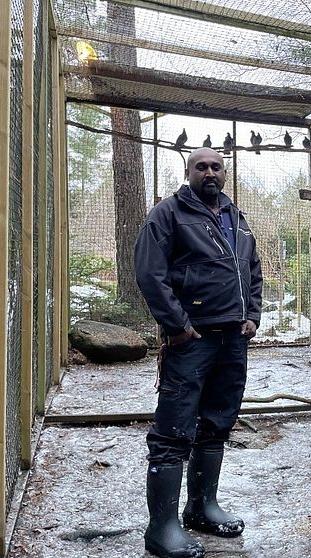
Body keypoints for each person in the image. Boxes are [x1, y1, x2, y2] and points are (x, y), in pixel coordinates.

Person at [134, 147, 263, 558]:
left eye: (216, 166)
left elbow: (253, 271)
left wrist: (252, 317)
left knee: (217, 423)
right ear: (188, 171)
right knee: (173, 431)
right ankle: (162, 527)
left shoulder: (235, 217)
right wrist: (179, 328)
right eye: (201, 166)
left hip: (232, 340)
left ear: (225, 173)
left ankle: (202, 506)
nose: (209, 172)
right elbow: (150, 274)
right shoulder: (168, 214)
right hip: (191, 341)